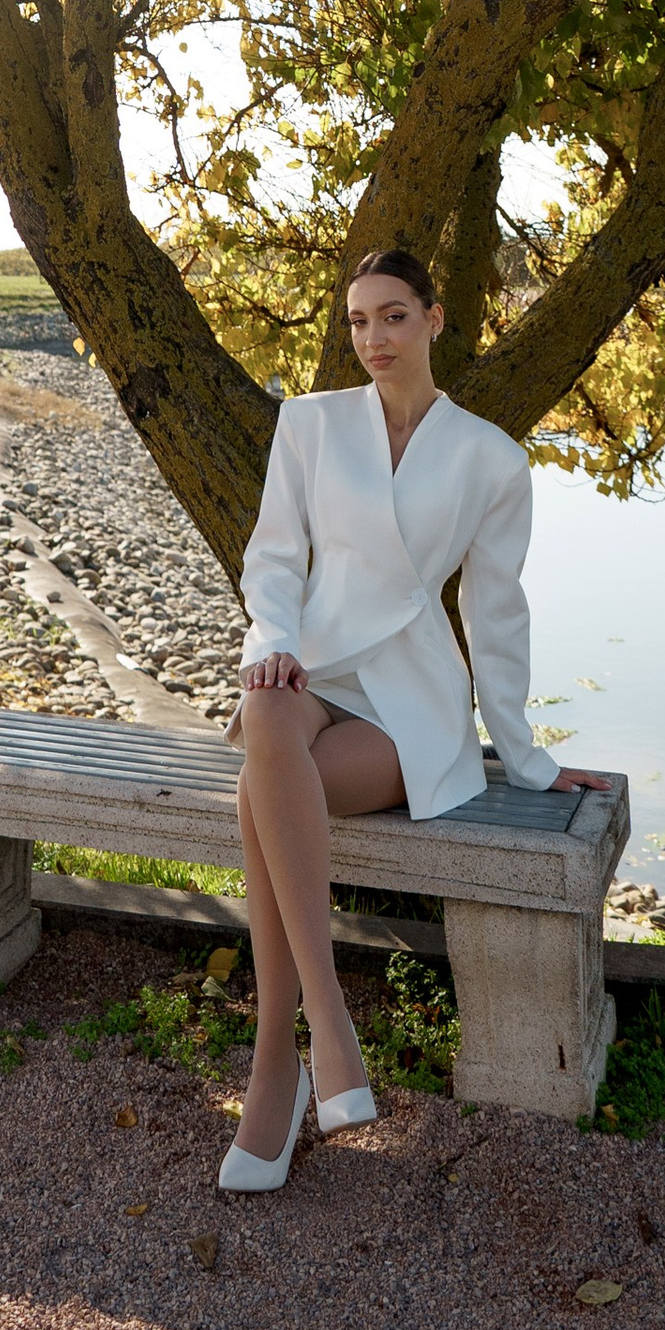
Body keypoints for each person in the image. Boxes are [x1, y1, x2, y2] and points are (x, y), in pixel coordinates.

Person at [219, 242, 612, 1190]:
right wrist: (273, 640)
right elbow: (274, 557)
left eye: (393, 316)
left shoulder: (490, 457)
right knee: (266, 715)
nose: (375, 337)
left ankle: (277, 1066)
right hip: (311, 667)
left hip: (410, 698)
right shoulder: (310, 424)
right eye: (359, 321)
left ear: (434, 319)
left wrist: (524, 755)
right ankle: (327, 1022)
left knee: (260, 796)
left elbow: (496, 611)